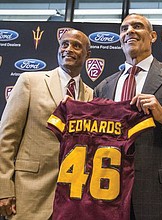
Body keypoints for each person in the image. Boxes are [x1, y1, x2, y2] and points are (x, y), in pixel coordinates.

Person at [94, 13, 162, 219]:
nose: (130, 31)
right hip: (109, 191)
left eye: (137, 26)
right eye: (124, 28)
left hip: (158, 192)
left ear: (153, 36)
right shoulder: (103, 87)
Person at [0, 28, 93, 219]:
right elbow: (6, 138)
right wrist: (3, 188)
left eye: (77, 46)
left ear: (87, 54)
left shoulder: (91, 94)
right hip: (28, 192)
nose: (69, 49)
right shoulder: (30, 81)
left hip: (71, 199)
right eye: (64, 44)